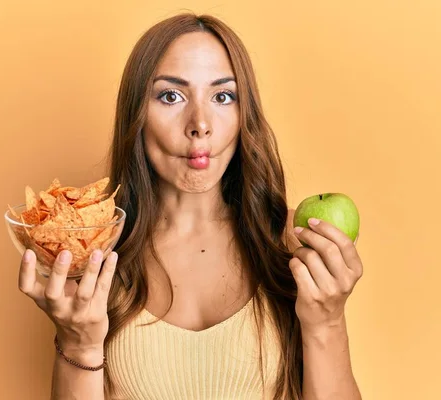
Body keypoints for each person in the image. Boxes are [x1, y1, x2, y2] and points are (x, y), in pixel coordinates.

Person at [18, 13, 364, 400]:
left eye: (222, 96)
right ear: (137, 114)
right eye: (171, 96)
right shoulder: (97, 257)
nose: (200, 123)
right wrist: (78, 343)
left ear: (242, 114)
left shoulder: (290, 244)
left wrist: (327, 323)